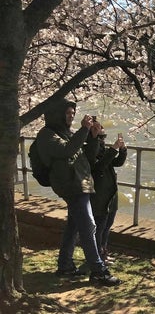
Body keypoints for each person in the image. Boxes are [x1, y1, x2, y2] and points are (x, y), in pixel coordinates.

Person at [36, 98, 121, 286]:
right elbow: (67, 151)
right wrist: (83, 130)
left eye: (73, 114)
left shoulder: (69, 133)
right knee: (89, 226)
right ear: (56, 114)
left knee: (73, 226)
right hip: (70, 186)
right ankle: (98, 271)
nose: (71, 116)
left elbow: (88, 158)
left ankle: (65, 266)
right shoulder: (47, 135)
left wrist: (93, 137)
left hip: (81, 183)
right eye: (67, 113)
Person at [85, 123, 127, 265]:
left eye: (104, 136)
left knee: (107, 226)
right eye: (100, 136)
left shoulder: (102, 151)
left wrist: (122, 149)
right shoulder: (89, 151)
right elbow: (99, 167)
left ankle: (103, 252)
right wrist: (113, 149)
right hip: (99, 197)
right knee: (100, 227)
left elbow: (117, 162)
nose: (102, 140)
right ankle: (98, 257)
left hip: (110, 196)